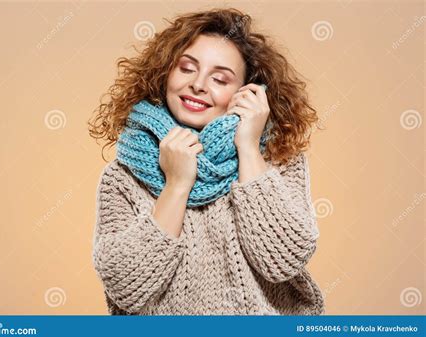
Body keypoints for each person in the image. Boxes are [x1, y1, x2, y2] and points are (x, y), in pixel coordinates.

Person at [88, 7, 324, 315]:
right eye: (186, 68)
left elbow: (284, 260)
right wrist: (176, 184)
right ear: (164, 73)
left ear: (246, 91)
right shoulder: (123, 176)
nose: (198, 85)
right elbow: (125, 287)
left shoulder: (276, 156)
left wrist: (249, 147)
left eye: (220, 79)